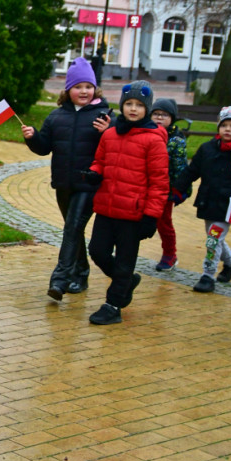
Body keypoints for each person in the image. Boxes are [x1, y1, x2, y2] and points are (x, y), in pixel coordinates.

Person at [21, 56, 112, 300]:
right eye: (78, 87)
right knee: (73, 229)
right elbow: (44, 147)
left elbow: (116, 147)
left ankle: (60, 279)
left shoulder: (104, 115)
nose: (84, 91)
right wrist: (32, 137)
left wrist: (109, 133)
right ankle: (81, 274)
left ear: (95, 88)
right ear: (68, 89)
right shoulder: (55, 117)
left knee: (73, 227)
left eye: (88, 86)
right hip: (63, 183)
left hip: (89, 184)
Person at [87, 80, 169, 325]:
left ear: (147, 108)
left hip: (133, 214)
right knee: (97, 251)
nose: (133, 109)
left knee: (125, 261)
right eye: (128, 104)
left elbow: (159, 182)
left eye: (139, 105)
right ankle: (128, 282)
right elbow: (100, 161)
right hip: (106, 207)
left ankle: (113, 305)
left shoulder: (154, 140)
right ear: (122, 106)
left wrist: (151, 216)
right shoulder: (110, 134)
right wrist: (94, 172)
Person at [172, 106, 231, 293]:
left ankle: (207, 275)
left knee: (214, 237)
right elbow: (191, 171)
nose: (228, 129)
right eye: (224, 125)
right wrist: (177, 190)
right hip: (208, 200)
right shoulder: (207, 149)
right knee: (215, 237)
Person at [150, 99, 189, 271]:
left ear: (172, 118)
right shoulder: (144, 132)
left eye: (164, 115)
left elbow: (180, 168)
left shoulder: (176, 141)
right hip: (144, 185)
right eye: (156, 114)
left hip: (165, 189)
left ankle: (170, 254)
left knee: (163, 222)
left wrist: (179, 190)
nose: (159, 118)